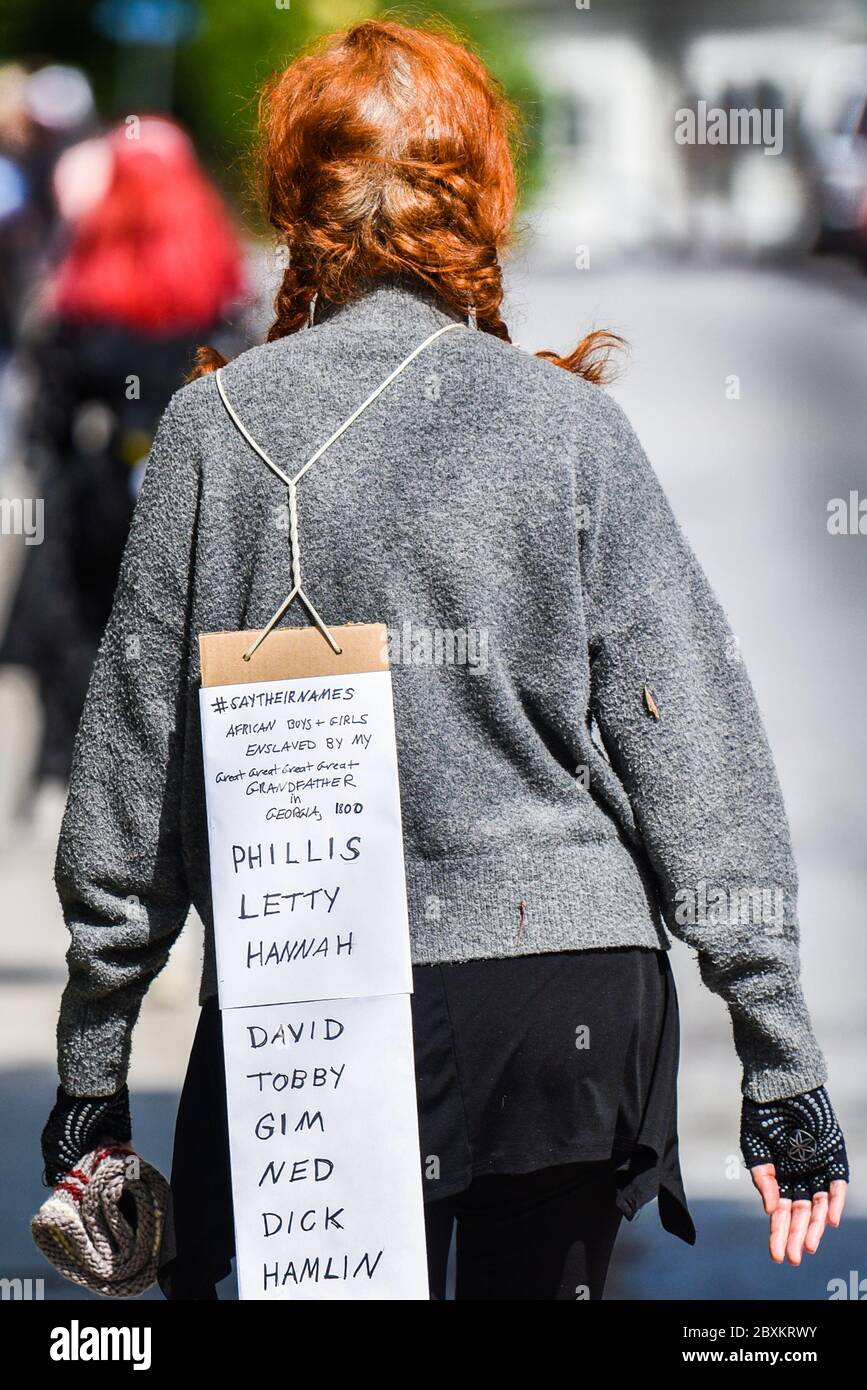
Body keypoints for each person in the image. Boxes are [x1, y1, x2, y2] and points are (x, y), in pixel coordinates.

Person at [40, 20, 848, 1301]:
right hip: (562, 1002)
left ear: (297, 196)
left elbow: (133, 774)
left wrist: (94, 1062)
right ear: (480, 200)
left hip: (304, 999)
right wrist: (782, 1061)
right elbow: (696, 745)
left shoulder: (208, 433)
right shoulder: (573, 429)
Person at [0, 116, 246, 793]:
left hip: (95, 503)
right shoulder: (219, 292)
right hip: (194, 510)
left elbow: (44, 431)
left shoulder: (80, 296)